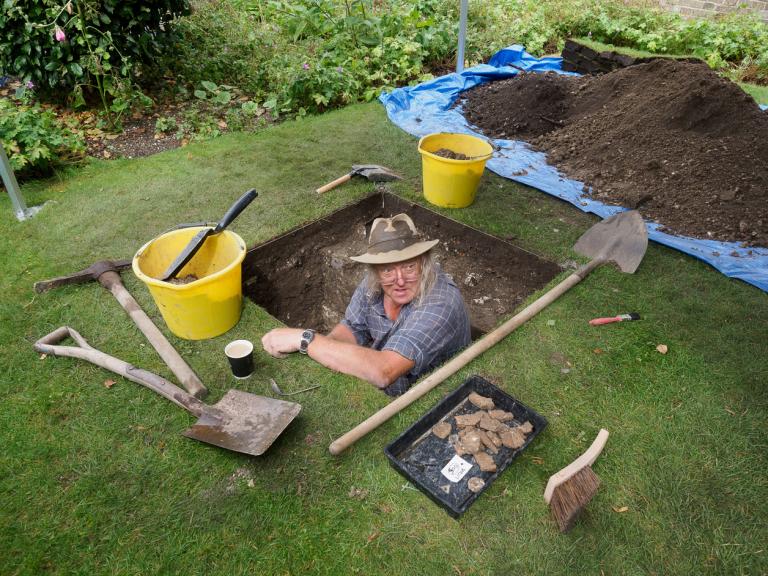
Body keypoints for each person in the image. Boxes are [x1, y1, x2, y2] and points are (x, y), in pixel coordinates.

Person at [261, 213, 471, 396]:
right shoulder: (375, 282)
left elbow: (384, 372)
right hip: (386, 372)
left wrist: (305, 340)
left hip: (425, 394)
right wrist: (325, 352)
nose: (399, 280)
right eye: (387, 269)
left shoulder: (441, 304)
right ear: (375, 270)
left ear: (424, 263)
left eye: (409, 266)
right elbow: (353, 327)